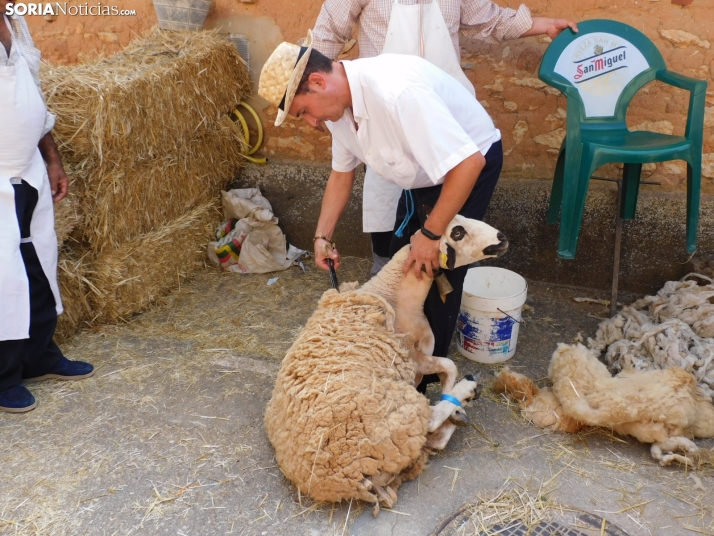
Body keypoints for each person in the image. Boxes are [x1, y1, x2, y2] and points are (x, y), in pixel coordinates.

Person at [259, 31, 506, 390]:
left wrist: (432, 233)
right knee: (404, 264)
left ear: (317, 81)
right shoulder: (340, 111)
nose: (312, 123)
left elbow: (468, 163)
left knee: (436, 271)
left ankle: (418, 385)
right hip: (422, 173)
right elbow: (340, 175)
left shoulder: (397, 93)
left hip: (469, 163)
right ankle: (395, 361)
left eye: (304, 112)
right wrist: (322, 235)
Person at [311, 0, 577, 277]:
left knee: (441, 247)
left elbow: (489, 19)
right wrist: (318, 102)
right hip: (381, 116)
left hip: (446, 121)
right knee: (388, 213)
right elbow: (325, 37)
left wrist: (545, 25)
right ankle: (384, 275)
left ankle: (431, 299)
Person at [0, 1, 94, 413]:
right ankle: (3, 378)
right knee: (4, 278)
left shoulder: (15, 23)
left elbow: (34, 98)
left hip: (30, 169)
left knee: (38, 264)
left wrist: (52, 159)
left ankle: (39, 356)